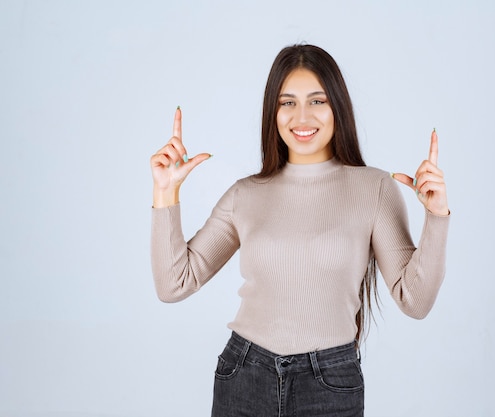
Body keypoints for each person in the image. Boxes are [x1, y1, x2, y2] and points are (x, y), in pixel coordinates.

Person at [150, 44, 450, 417]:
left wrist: (437, 217)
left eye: (317, 101)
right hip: (244, 375)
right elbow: (174, 283)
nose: (302, 116)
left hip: (329, 383)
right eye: (287, 102)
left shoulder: (374, 189)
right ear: (272, 113)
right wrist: (165, 191)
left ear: (337, 107)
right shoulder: (245, 193)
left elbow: (415, 301)